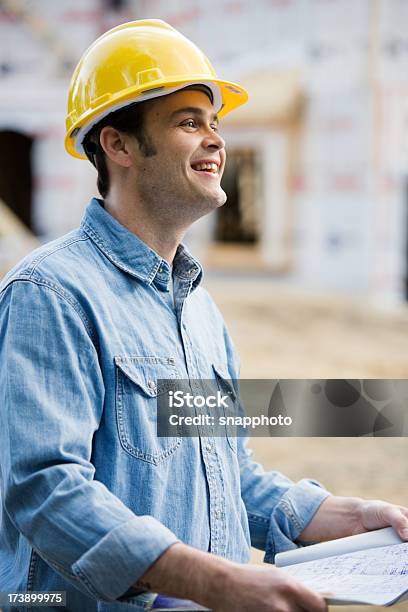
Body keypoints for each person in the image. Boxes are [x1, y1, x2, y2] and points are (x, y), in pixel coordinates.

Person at [0, 19, 407, 612]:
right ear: (118, 145)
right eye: (189, 122)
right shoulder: (51, 294)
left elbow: (228, 477)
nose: (215, 139)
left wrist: (342, 515)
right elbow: (46, 491)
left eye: (215, 123)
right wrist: (215, 582)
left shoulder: (199, 311)